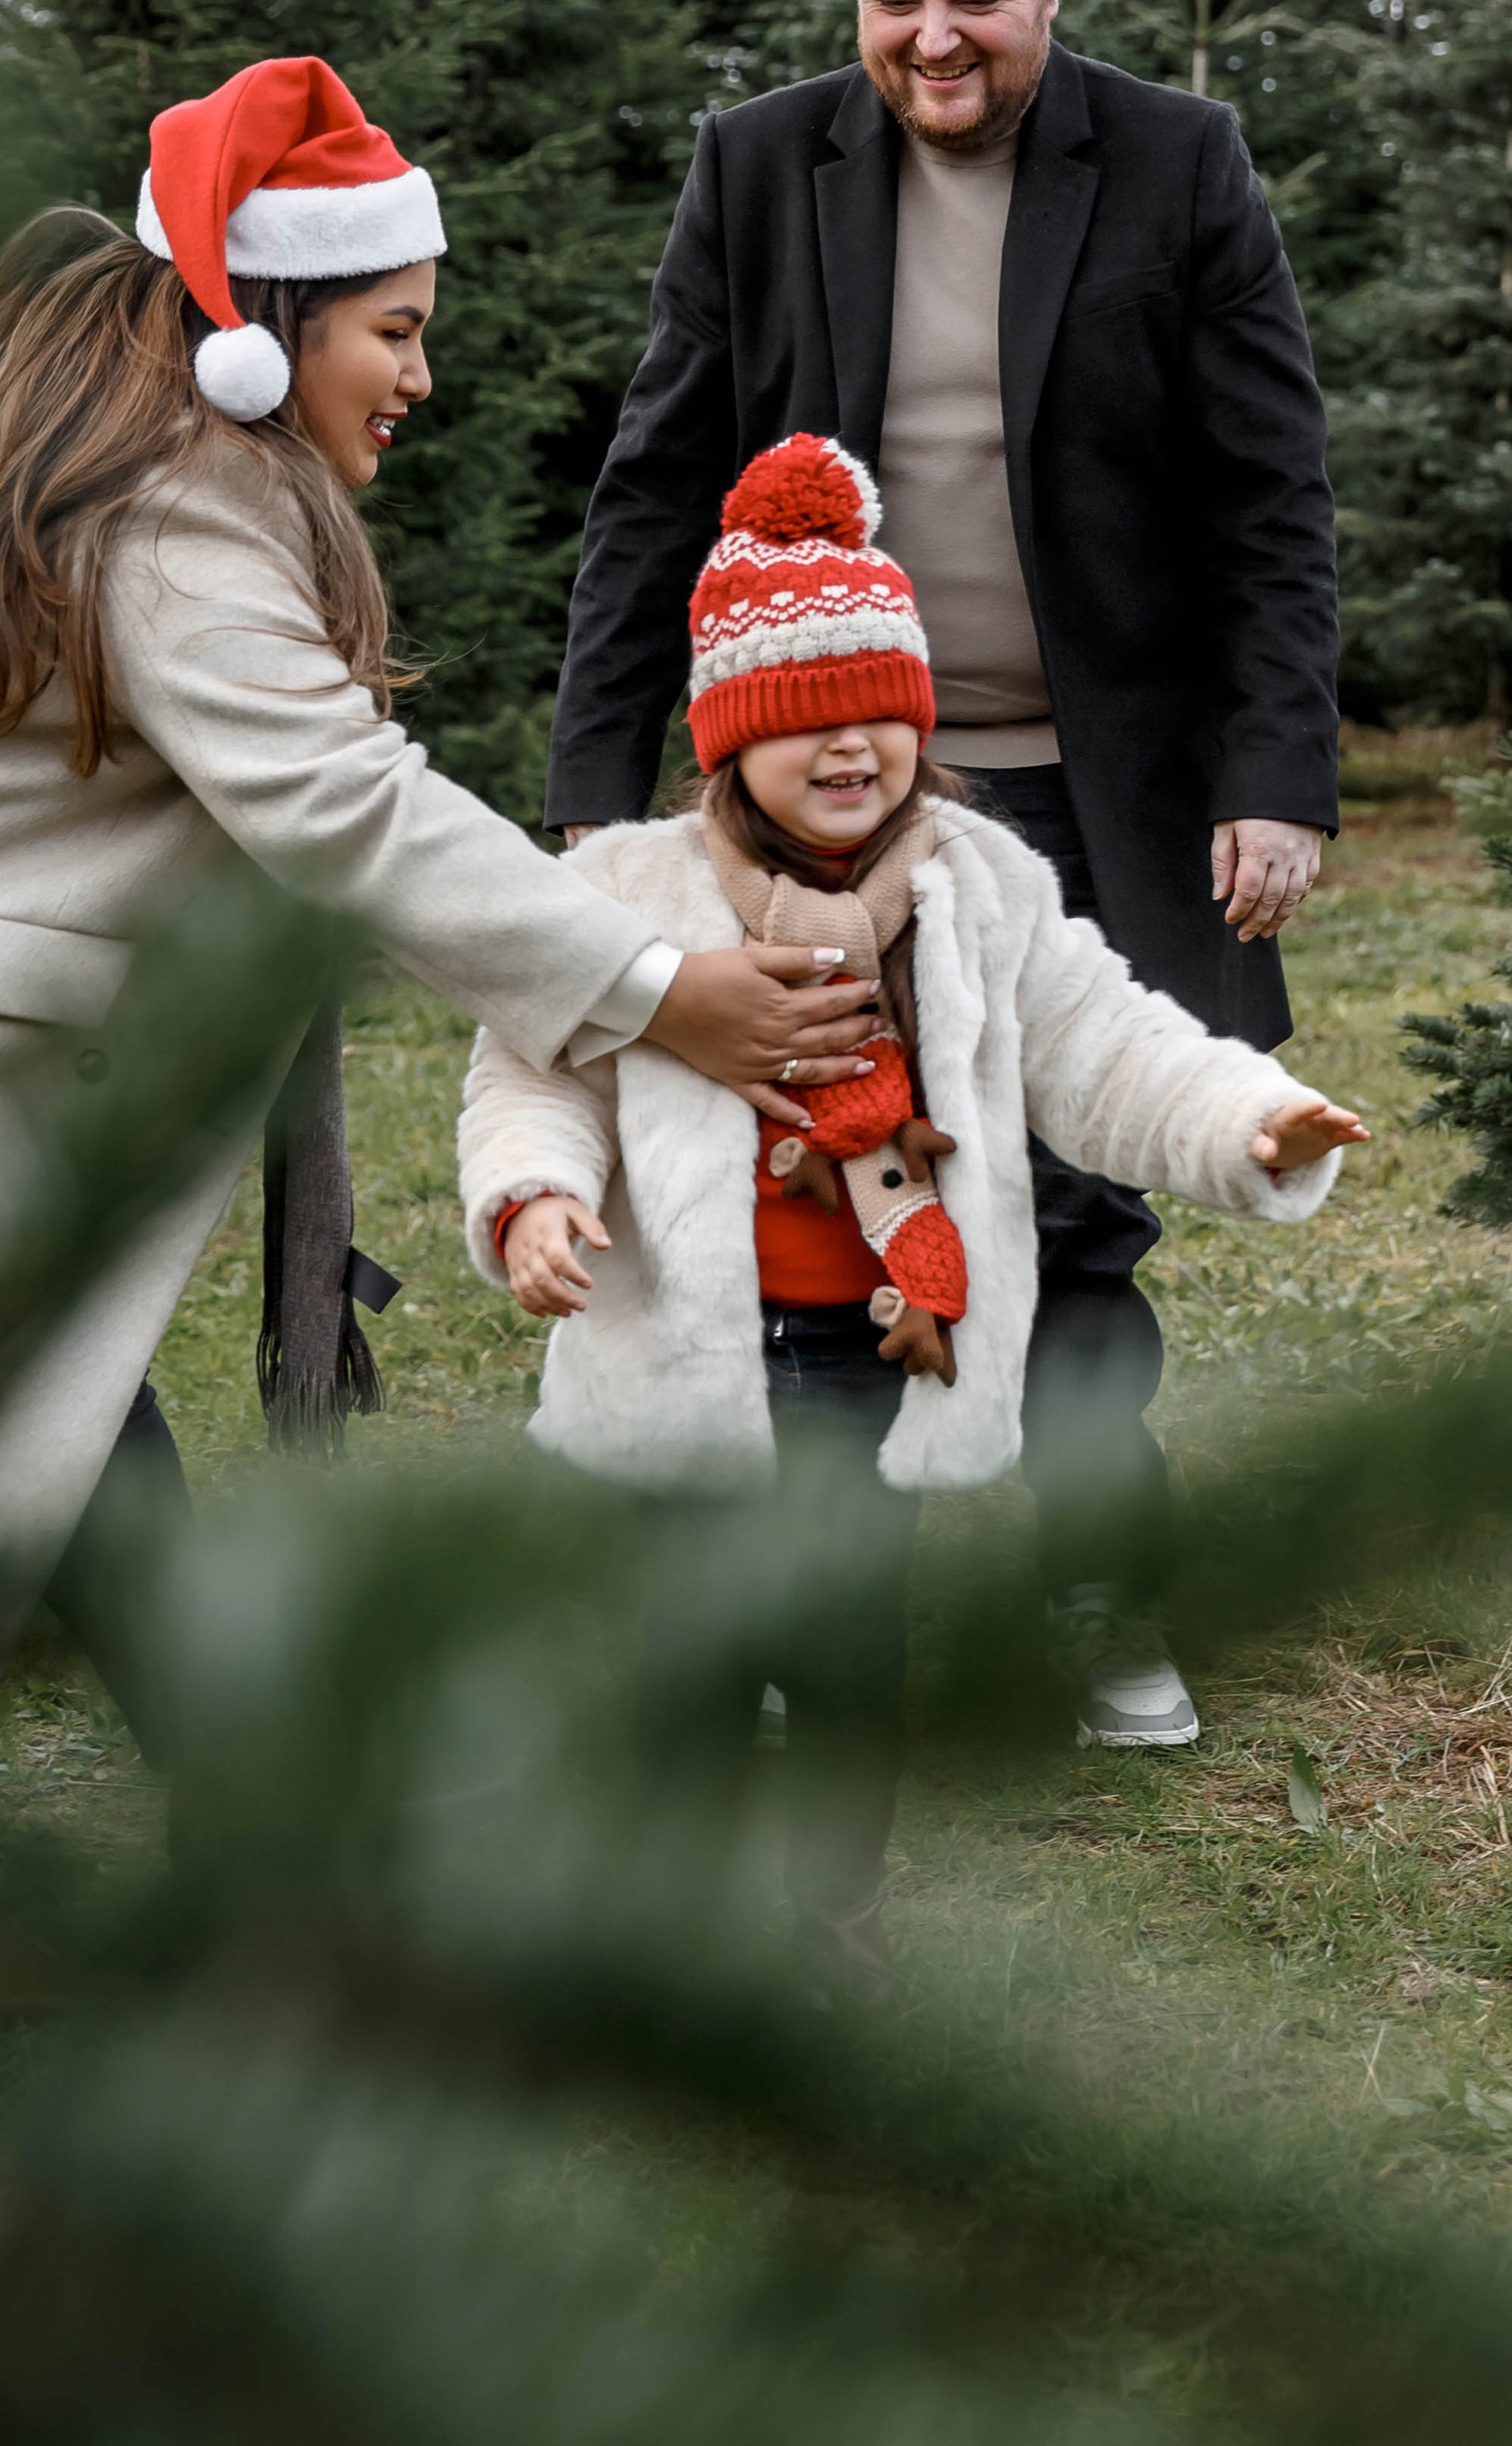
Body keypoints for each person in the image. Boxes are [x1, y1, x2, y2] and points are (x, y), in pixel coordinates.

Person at [0, 57, 883, 2022]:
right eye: (394, 331)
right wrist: (657, 987)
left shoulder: (88, 437)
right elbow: (342, 803)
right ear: (268, 324)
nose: (420, 378)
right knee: (39, 1410)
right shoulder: (177, 495)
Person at [544, 0, 1343, 1744]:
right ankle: (786, 1610)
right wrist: (593, 779)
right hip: (809, 789)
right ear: (858, 1)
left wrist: (1274, 774)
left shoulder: (1176, 165)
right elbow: (656, 479)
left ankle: (1094, 1595)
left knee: (1070, 1208)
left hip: (1083, 779)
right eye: (896, 0)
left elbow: (1267, 495)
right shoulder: (759, 169)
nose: (932, 38)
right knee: (791, 1181)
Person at [462, 436, 1364, 1992]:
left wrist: (1248, 1122)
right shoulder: (630, 893)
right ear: (726, 737)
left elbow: (1106, 1047)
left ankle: (832, 1916)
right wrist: (535, 1195)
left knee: (845, 1655)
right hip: (675, 1351)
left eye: (879, 709)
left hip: (869, 1348)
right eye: (804, 716)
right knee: (683, 1654)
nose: (850, 745)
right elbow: (536, 1073)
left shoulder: (978, 889)